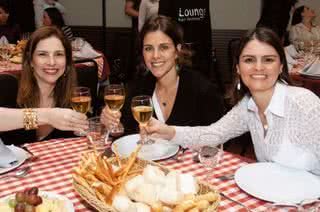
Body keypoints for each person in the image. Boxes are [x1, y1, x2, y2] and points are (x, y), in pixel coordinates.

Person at [144, 27, 320, 175]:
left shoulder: (304, 105)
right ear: (238, 68)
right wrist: (168, 132)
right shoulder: (248, 106)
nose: (258, 67)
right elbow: (214, 134)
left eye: (268, 60)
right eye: (249, 60)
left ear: (281, 66)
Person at [101, 16, 224, 135]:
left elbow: (217, 138)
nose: (155, 56)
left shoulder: (203, 90)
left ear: (177, 50)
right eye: (148, 48)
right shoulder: (138, 88)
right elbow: (126, 132)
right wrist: (112, 123)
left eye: (164, 47)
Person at [0, 26, 88, 145]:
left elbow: (86, 134)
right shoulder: (9, 86)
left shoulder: (76, 98)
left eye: (58, 54)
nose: (51, 62)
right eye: (42, 54)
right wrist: (48, 116)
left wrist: (106, 123)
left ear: (67, 62)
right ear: (30, 60)